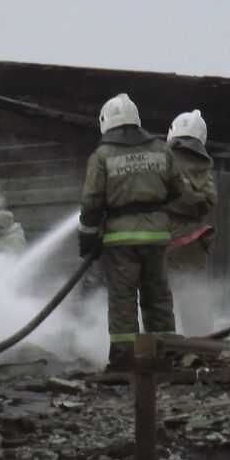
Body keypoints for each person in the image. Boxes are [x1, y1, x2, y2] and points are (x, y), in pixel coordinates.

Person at [79, 94, 182, 369]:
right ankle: (165, 354)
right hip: (157, 235)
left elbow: (91, 202)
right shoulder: (161, 149)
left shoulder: (101, 156)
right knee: (157, 295)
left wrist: (87, 239)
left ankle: (126, 358)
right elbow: (178, 188)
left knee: (123, 298)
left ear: (106, 123)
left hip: (120, 238)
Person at [164, 110, 218, 335]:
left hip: (166, 240)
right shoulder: (204, 163)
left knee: (161, 298)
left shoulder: (163, 156)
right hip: (196, 241)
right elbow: (209, 200)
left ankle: (162, 345)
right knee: (196, 297)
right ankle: (202, 346)